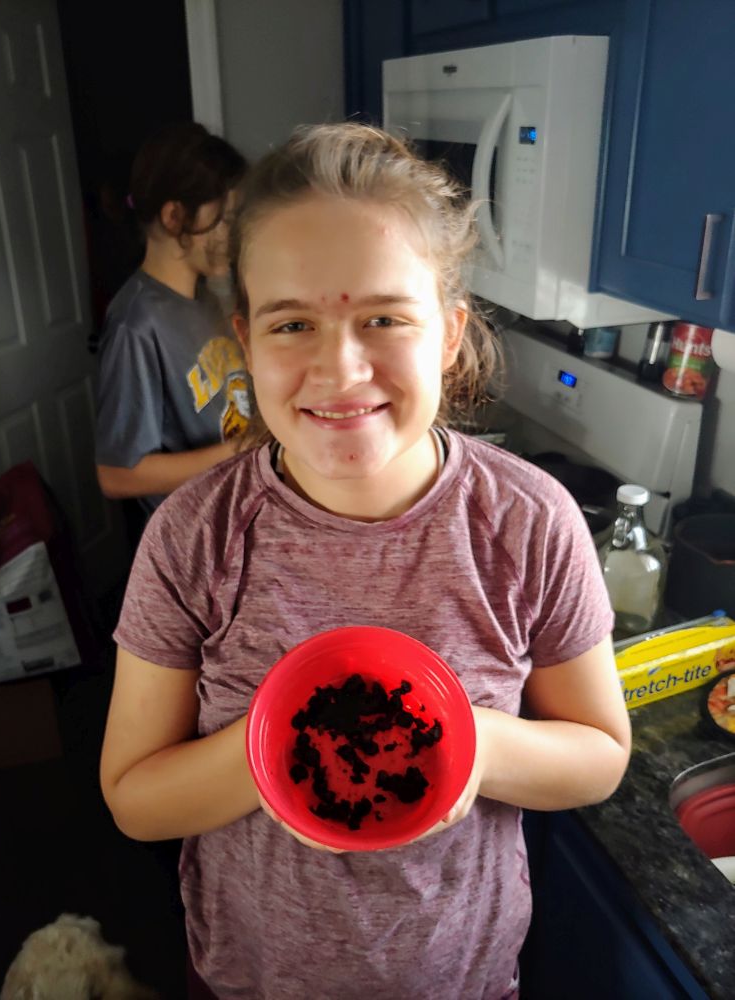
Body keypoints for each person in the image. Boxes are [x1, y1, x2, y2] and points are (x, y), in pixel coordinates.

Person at [100, 123, 631, 1000]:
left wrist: (470, 745)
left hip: (460, 976)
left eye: (383, 318)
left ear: (450, 333)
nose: (340, 368)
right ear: (246, 338)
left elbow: (601, 756)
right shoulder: (195, 537)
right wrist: (287, 749)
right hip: (251, 979)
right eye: (293, 323)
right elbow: (133, 797)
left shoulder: (529, 524)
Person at [94, 122, 251, 515]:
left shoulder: (206, 297)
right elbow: (117, 475)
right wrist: (244, 450)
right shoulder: (137, 323)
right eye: (226, 220)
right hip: (189, 539)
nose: (232, 236)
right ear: (174, 216)